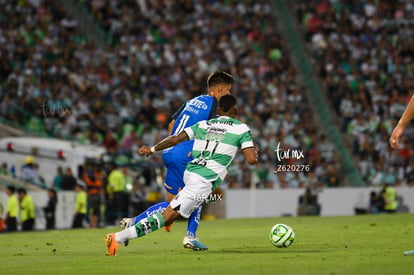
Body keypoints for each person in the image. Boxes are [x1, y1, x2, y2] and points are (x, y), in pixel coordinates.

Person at [104, 94, 258, 256]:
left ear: (218, 110)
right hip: (203, 179)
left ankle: (190, 236)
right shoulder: (242, 129)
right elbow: (251, 160)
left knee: (181, 209)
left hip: (191, 172)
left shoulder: (203, 124)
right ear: (236, 110)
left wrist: (152, 149)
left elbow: (175, 139)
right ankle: (118, 237)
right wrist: (255, 151)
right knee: (168, 215)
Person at [120, 71, 234, 250]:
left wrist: (173, 147)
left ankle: (132, 222)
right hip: (185, 155)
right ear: (219, 90)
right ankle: (190, 237)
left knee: (172, 205)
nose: (229, 95)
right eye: (228, 91)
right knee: (199, 193)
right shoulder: (214, 104)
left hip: (170, 152)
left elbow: (171, 125)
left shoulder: (191, 102)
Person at [83, 164, 103, 228]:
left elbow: (89, 182)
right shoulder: (98, 175)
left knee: (92, 211)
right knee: (96, 211)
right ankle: (95, 225)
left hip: (92, 194)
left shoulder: (89, 174)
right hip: (97, 194)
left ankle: (92, 225)